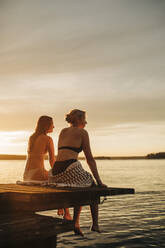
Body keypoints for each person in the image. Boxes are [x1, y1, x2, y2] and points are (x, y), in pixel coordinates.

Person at [48, 109, 107, 236]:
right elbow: (89, 159)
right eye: (84, 119)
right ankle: (95, 224)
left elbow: (61, 154)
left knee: (79, 186)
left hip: (56, 171)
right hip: (69, 168)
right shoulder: (82, 132)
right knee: (92, 185)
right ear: (79, 120)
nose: (86, 123)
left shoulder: (63, 131)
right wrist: (99, 181)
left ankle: (75, 223)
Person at [23, 115, 55, 181]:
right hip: (38, 174)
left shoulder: (32, 137)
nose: (53, 126)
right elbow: (52, 161)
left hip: (26, 174)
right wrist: (59, 174)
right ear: (47, 125)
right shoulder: (48, 139)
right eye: (52, 124)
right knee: (60, 177)